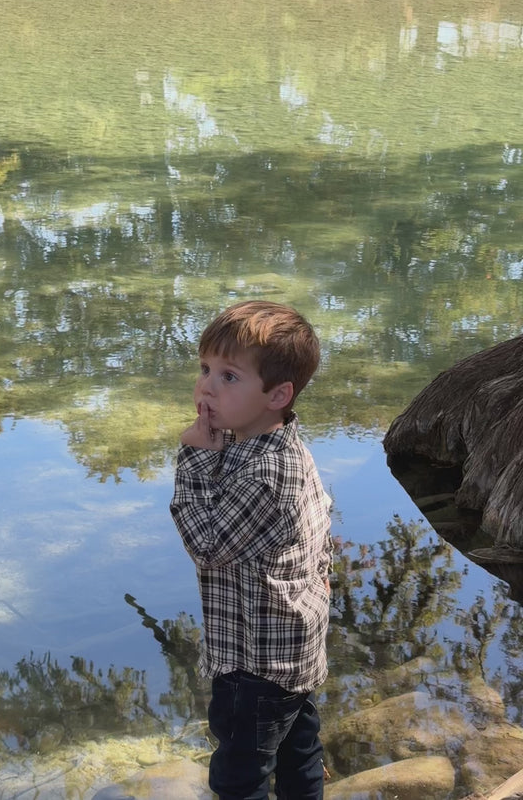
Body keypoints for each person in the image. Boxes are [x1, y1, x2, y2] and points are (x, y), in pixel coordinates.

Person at [170, 300, 332, 800]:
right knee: (297, 749)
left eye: (229, 377)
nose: (205, 387)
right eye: (205, 369)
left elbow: (208, 545)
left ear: (277, 394)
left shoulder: (266, 476)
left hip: (255, 662)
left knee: (239, 773)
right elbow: (324, 530)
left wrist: (194, 460)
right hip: (292, 649)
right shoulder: (280, 448)